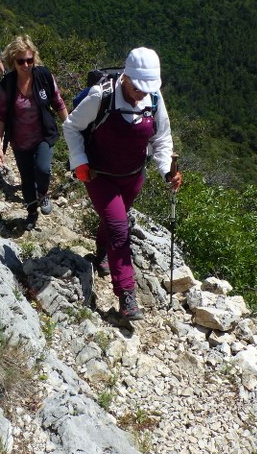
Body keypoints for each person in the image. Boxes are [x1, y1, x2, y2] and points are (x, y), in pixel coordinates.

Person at [63, 47, 182, 321]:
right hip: (99, 175)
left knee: (113, 222)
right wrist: (79, 161)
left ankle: (102, 250)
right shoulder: (101, 96)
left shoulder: (153, 98)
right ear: (125, 77)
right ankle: (126, 295)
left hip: (132, 176)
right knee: (119, 226)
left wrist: (167, 171)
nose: (142, 93)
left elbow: (161, 139)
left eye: (147, 88)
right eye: (138, 87)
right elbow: (71, 126)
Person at [0, 35, 69, 230]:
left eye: (29, 60)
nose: (26, 65)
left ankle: (42, 194)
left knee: (43, 169)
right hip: (19, 140)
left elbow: (58, 102)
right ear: (12, 61)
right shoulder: (8, 84)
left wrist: (70, 129)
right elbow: (0, 115)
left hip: (43, 134)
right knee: (26, 178)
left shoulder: (44, 76)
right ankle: (31, 212)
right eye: (21, 61)